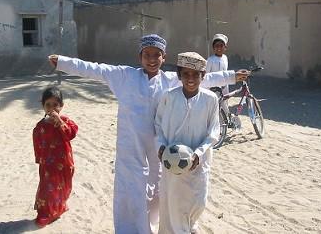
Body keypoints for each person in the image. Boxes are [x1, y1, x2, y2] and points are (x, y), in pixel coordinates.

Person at [48, 34, 248, 234]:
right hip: (130, 143)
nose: (152, 59)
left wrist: (231, 76)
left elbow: (202, 77)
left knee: (158, 187)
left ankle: (151, 227)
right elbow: (94, 69)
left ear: (164, 57)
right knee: (129, 187)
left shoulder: (170, 80)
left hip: (160, 145)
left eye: (157, 55)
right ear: (140, 57)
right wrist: (63, 63)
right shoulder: (123, 76)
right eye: (147, 54)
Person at [155, 52, 219, 233]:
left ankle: (190, 226)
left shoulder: (210, 99)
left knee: (198, 201)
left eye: (195, 75)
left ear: (203, 76)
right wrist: (160, 147)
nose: (190, 79)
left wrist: (198, 155)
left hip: (199, 162)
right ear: (179, 75)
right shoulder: (169, 97)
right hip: (172, 162)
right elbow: (158, 125)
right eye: (186, 74)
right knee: (173, 202)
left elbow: (213, 132)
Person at [32, 87, 78, 227]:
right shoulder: (40, 126)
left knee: (64, 186)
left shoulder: (66, 121)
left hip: (65, 162)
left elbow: (71, 134)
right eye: (48, 105)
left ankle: (60, 208)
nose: (52, 108)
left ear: (61, 106)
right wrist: (39, 159)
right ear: (43, 106)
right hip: (48, 165)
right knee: (47, 188)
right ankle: (44, 214)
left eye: (55, 105)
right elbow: (37, 143)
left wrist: (60, 122)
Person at [206, 33, 239, 128]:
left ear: (225, 47)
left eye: (221, 45)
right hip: (213, 88)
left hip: (224, 86)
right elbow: (207, 75)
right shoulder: (210, 60)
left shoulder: (225, 58)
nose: (219, 48)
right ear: (213, 47)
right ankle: (217, 126)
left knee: (225, 104)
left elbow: (225, 72)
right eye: (216, 46)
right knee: (216, 106)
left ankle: (226, 122)